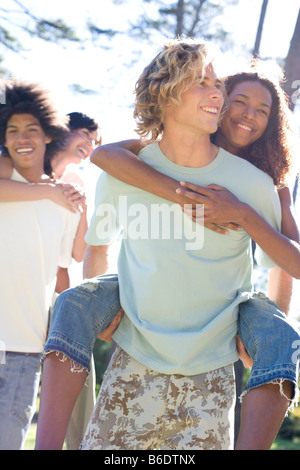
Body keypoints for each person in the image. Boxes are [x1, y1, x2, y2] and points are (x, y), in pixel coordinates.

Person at [35, 55, 300, 450]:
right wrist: (185, 197)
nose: (249, 115)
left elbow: (286, 263)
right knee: (74, 303)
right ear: (218, 101)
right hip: (145, 309)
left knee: (281, 337)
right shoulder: (152, 156)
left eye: (263, 110)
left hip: (225, 314)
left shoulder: (263, 184)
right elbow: (105, 157)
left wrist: (241, 214)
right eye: (239, 101)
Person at [0, 79, 81, 450]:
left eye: (31, 129)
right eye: (12, 130)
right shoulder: (7, 179)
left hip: (25, 351)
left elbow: (76, 255)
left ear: (48, 135)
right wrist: (47, 190)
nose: (22, 138)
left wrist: (81, 202)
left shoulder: (62, 200)